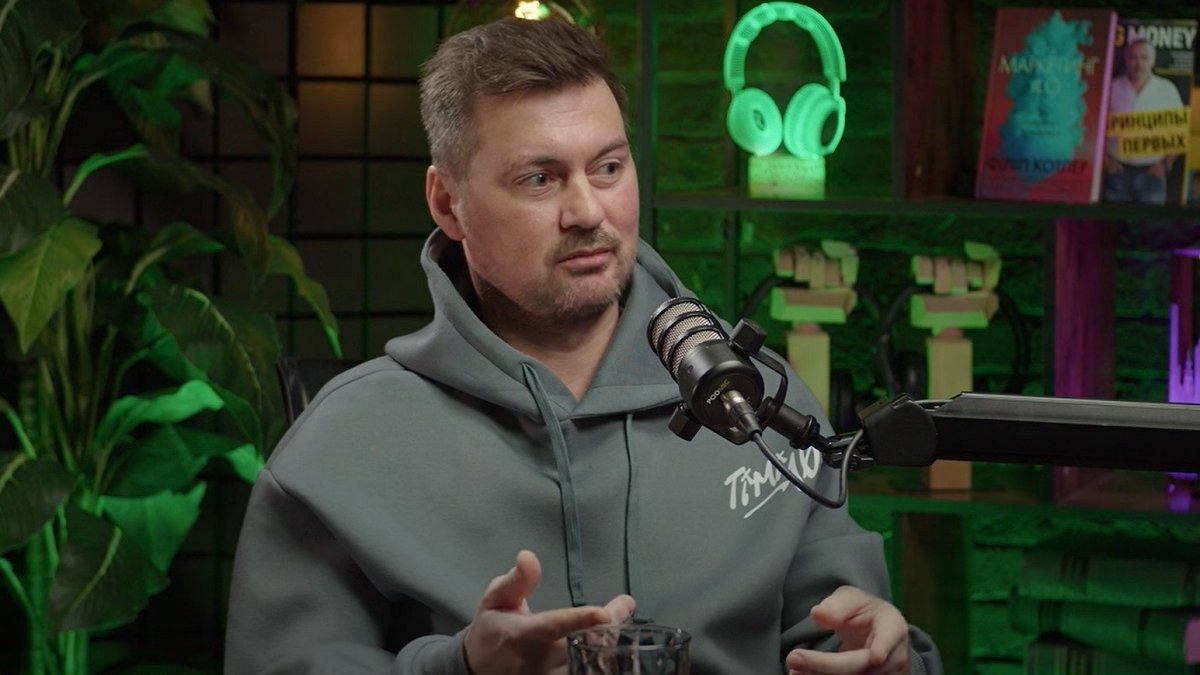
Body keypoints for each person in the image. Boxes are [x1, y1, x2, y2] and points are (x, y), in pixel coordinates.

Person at [224, 16, 942, 675]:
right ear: (448, 204)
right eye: (540, 179)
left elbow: (852, 636)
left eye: (608, 168)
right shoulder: (339, 449)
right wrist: (460, 669)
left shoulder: (757, 401)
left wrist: (890, 658)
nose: (588, 211)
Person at [1102, 39, 1186, 205]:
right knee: (1114, 220)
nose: (1139, 64)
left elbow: (1180, 131)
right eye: (1133, 57)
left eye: (1144, 57)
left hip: (1152, 174)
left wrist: (1165, 164)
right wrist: (1106, 161)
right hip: (1116, 172)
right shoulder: (1111, 87)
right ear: (1126, 59)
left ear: (1153, 61)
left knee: (1151, 221)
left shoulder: (1167, 89)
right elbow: (1094, 127)